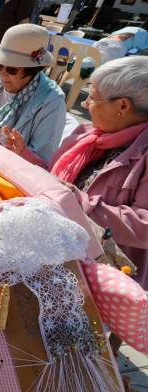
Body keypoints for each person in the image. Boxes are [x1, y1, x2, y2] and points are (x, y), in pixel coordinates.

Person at [50, 57, 148, 292]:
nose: (85, 104)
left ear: (123, 106)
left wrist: (80, 202)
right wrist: (23, 156)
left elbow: (144, 225)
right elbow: (54, 179)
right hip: (62, 252)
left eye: (92, 97)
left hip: (106, 275)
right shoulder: (89, 135)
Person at [0, 24, 66, 166]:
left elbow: (43, 160)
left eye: (12, 69)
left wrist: (22, 153)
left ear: (33, 69)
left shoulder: (51, 102)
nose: (2, 73)